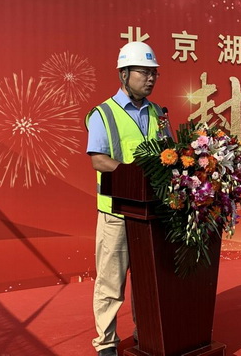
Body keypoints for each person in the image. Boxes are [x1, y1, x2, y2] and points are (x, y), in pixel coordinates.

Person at [85, 41, 165, 356]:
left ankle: (147, 333)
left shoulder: (158, 112)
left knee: (148, 282)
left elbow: (168, 154)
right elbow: (98, 159)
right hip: (116, 213)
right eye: (143, 72)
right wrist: (133, 177)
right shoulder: (103, 114)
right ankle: (106, 344)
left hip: (150, 214)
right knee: (110, 282)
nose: (150, 78)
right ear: (123, 74)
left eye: (153, 73)